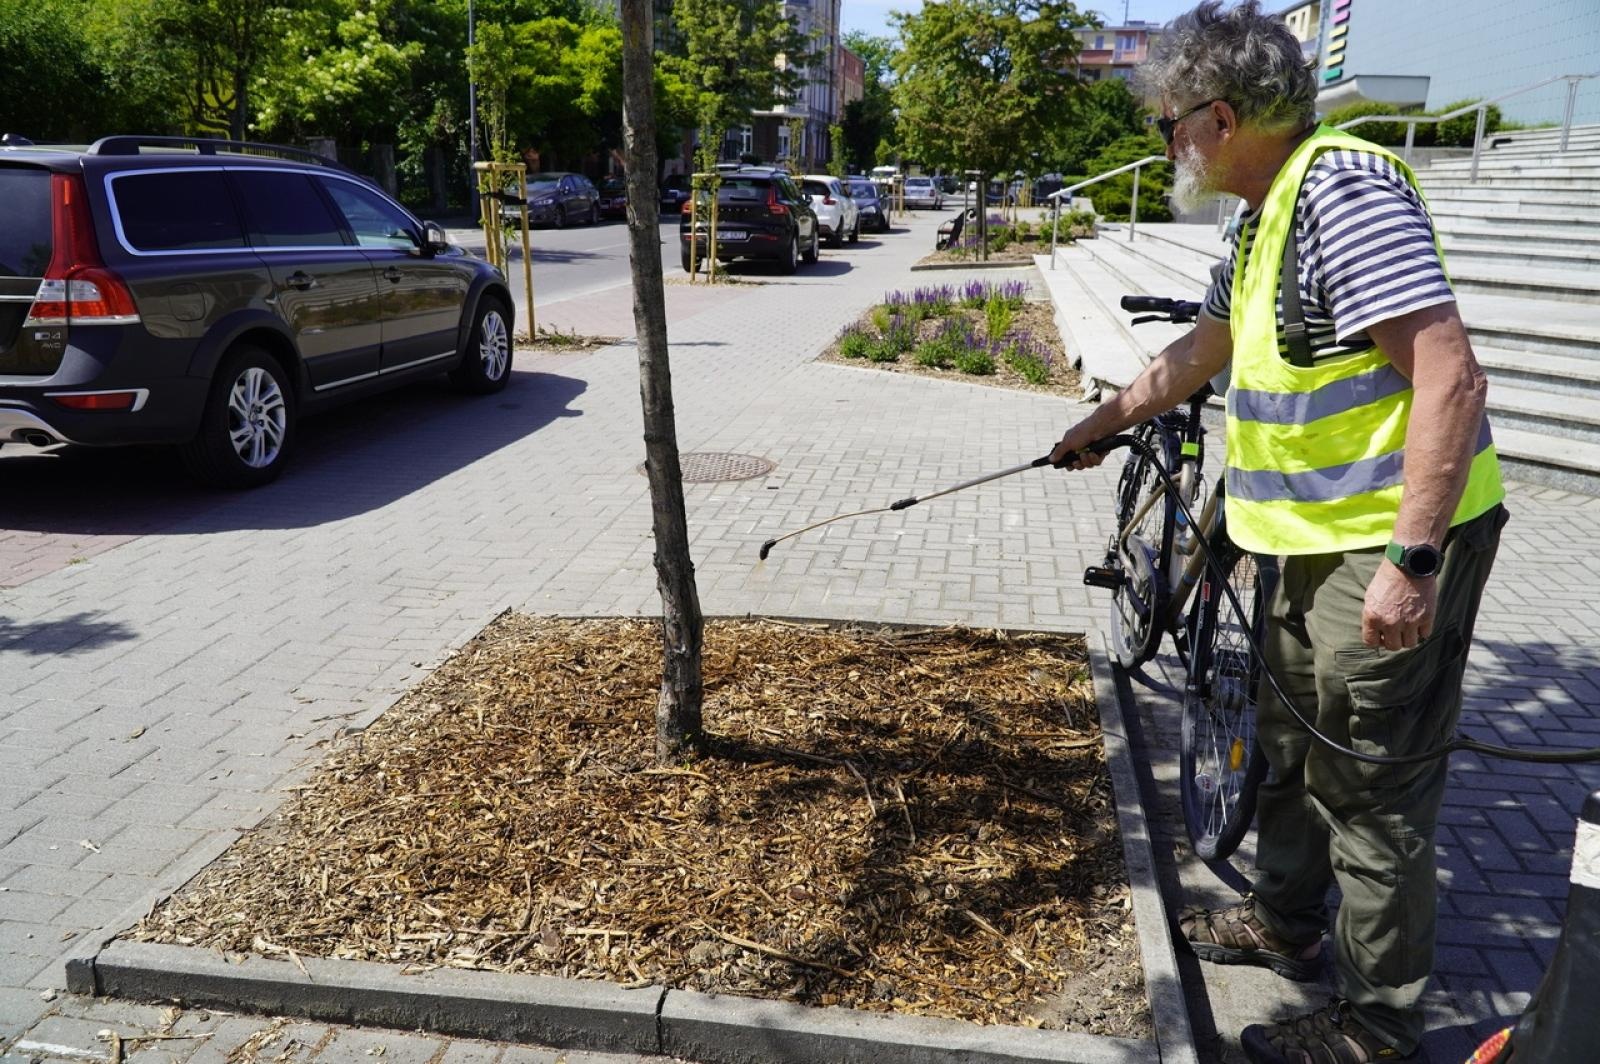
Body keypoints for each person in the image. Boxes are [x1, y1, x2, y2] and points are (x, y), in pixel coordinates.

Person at [1047, 4, 1507, 1062]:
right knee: (1291, 742)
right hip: (1301, 546)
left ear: (1219, 116)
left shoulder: (1340, 190)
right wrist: (1099, 421)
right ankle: (1286, 918)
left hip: (1380, 550)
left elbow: (1450, 374)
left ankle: (1381, 1019)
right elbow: (1199, 352)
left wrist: (1411, 561)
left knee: (1371, 778)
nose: (1164, 144)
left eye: (1169, 124)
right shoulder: (1261, 214)